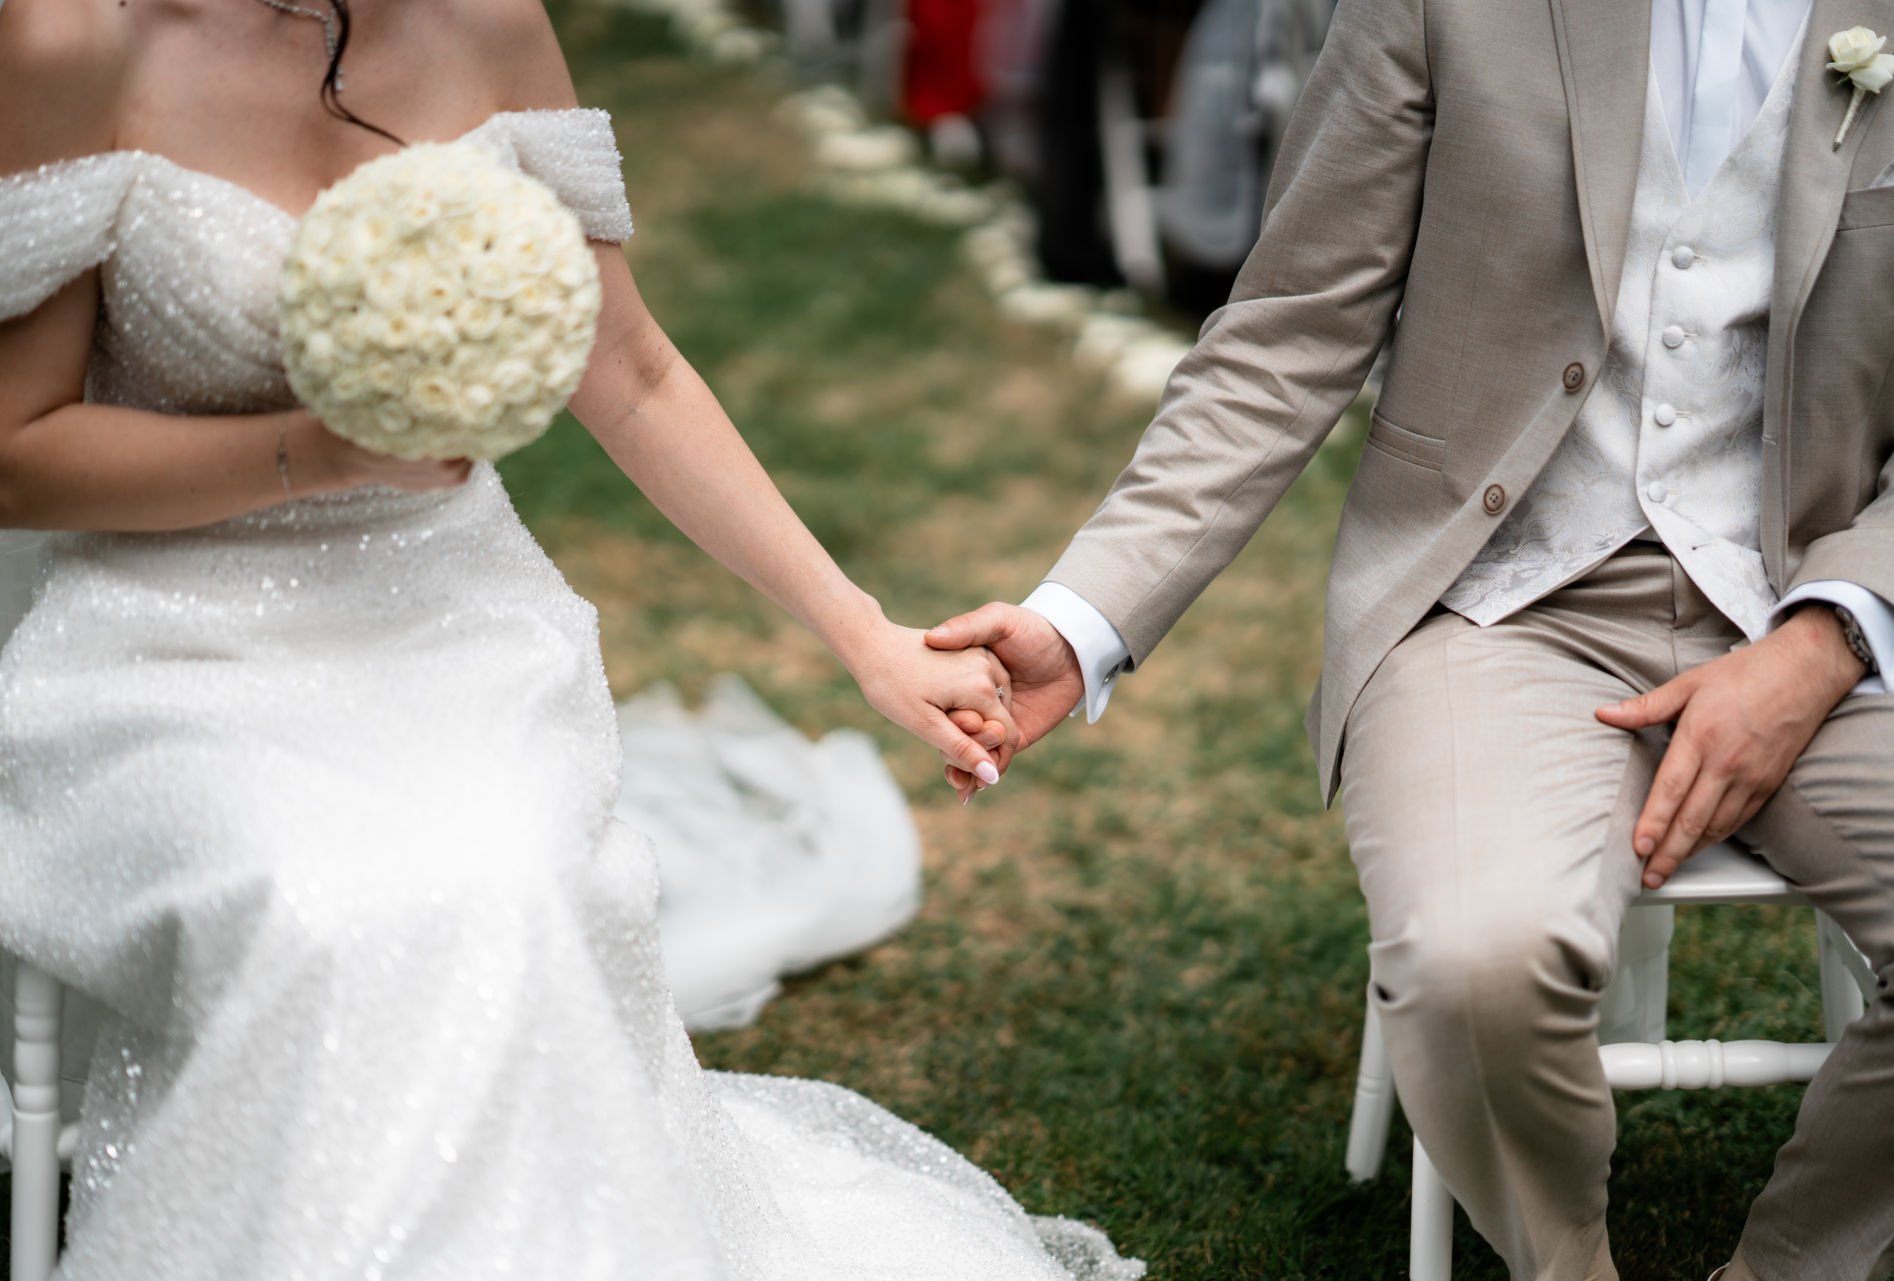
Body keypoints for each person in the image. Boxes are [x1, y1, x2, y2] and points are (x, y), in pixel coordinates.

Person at [0, 1, 1141, 1277]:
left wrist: (863, 633)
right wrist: (314, 453)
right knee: (317, 906)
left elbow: (632, 369)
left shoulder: (485, 20)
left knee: (507, 887)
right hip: (170, 637)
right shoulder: (70, 41)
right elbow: (15, 456)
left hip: (452, 620)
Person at [930, 0, 1894, 1277]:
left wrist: (1826, 641)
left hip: (1816, 605)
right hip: (1494, 597)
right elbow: (1290, 334)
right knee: (1471, 969)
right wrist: (1083, 622)